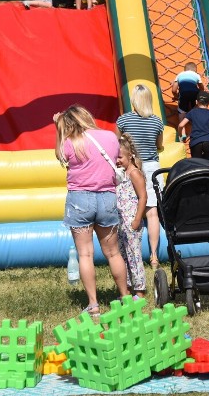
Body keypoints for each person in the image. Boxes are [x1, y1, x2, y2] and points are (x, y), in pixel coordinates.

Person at [53, 104, 130, 318]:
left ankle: (94, 304)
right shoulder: (110, 137)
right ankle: (125, 297)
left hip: (80, 200)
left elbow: (60, 156)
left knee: (85, 254)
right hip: (107, 197)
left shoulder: (70, 142)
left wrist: (57, 128)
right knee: (113, 253)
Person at [116, 85, 165, 269]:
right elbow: (159, 145)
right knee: (152, 212)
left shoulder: (123, 120)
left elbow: (118, 145)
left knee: (128, 209)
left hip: (132, 166)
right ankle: (153, 256)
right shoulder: (156, 122)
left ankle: (129, 255)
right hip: (151, 166)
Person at [115, 133, 148, 298]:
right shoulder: (121, 174)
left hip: (131, 222)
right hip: (121, 222)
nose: (117, 161)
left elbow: (143, 197)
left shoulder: (134, 173)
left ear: (129, 156)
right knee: (122, 256)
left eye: (120, 157)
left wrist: (137, 219)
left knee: (134, 256)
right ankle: (126, 288)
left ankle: (140, 290)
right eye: (115, 158)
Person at [178, 90, 209, 161]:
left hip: (195, 143)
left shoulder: (192, 112)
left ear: (196, 102)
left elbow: (181, 125)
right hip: (208, 141)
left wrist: (180, 135)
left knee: (197, 164)